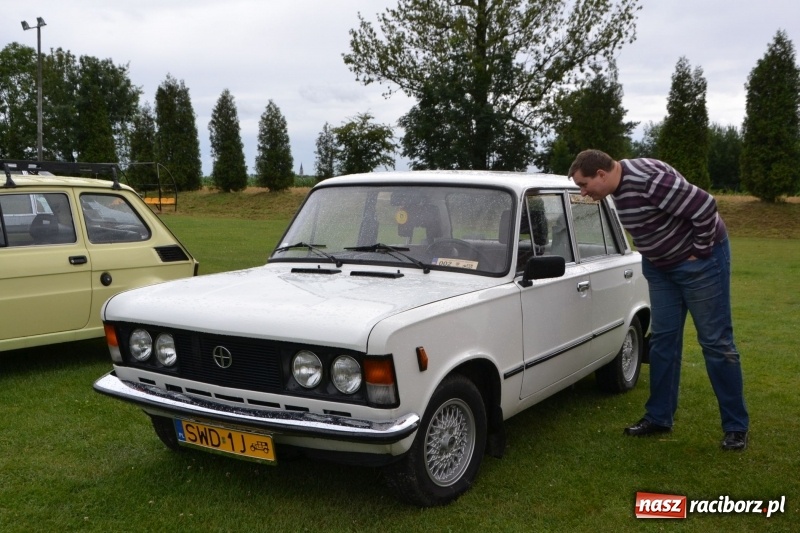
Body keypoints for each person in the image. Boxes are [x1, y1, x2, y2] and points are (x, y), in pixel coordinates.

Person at [568, 149, 749, 451]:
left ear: (601, 174)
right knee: (663, 341)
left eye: (584, 185)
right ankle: (659, 417)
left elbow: (705, 205)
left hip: (699, 266)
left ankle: (735, 426)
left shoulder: (648, 180)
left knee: (716, 343)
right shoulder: (614, 187)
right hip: (661, 268)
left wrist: (700, 251)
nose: (584, 193)